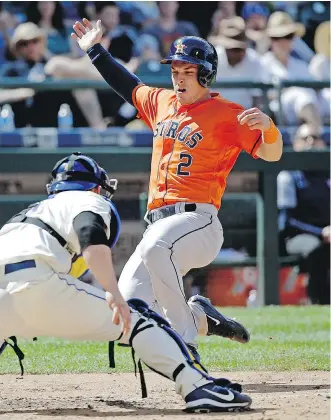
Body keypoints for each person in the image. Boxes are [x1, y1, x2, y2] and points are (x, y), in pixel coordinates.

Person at [0, 152, 252, 414]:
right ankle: (197, 387)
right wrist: (113, 294)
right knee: (138, 322)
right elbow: (91, 236)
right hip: (34, 283)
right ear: (97, 187)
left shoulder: (31, 211)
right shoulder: (90, 200)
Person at [72, 19, 282, 353]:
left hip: (198, 223)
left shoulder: (228, 114)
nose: (179, 77)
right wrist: (95, 50)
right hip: (158, 226)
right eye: (175, 70)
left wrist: (270, 129)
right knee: (130, 312)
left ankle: (187, 348)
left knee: (157, 247)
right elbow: (127, 84)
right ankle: (201, 317)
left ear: (205, 74)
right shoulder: (162, 102)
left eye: (188, 71)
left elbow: (271, 155)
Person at [277, 124, 330, 305]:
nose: (311, 143)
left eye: (315, 138)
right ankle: (321, 302)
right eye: (305, 139)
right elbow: (287, 221)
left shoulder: (327, 175)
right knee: (319, 250)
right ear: (296, 144)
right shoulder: (289, 176)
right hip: (298, 236)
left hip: (328, 233)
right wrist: (320, 232)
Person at [261, 12, 322, 128]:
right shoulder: (263, 63)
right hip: (278, 120)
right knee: (300, 96)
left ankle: (314, 135)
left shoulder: (301, 65)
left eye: (288, 36)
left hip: (309, 116)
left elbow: (317, 92)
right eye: (277, 37)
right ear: (271, 40)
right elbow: (263, 98)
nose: (283, 41)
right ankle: (315, 135)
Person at [211, 17, 268, 109]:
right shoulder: (211, 61)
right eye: (233, 49)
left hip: (246, 117)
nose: (237, 53)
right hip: (215, 115)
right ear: (225, 47)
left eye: (240, 48)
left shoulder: (255, 61)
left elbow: (258, 99)